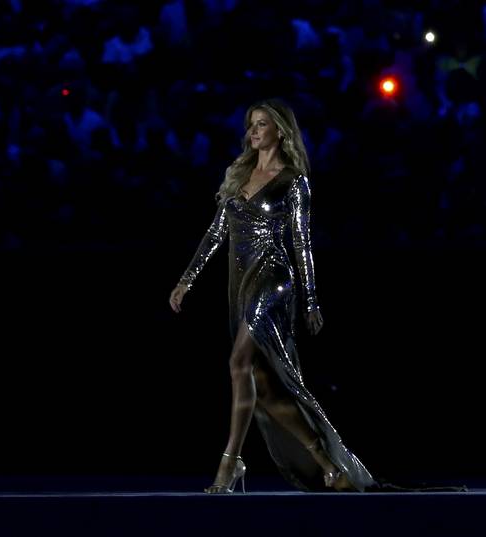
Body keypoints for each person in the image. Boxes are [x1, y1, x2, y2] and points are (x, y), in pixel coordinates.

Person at [169, 98, 376, 493]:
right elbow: (216, 234)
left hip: (274, 279)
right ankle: (327, 464)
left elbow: (302, 242)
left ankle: (230, 461)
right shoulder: (238, 175)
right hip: (239, 280)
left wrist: (312, 300)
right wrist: (186, 280)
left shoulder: (293, 181)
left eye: (262, 124)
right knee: (262, 386)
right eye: (251, 125)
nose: (254, 132)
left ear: (279, 130)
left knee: (238, 360)